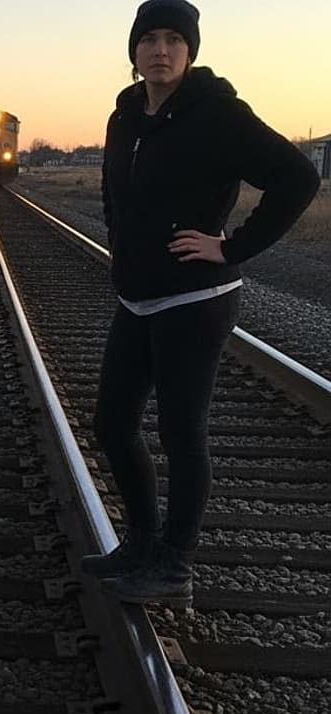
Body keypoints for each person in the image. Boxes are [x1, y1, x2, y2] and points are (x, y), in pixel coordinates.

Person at [82, 0, 320, 607]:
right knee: (111, 423)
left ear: (190, 51)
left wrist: (232, 246)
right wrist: (121, 246)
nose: (160, 50)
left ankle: (176, 562)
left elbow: (297, 176)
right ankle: (141, 541)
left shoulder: (219, 113)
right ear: (134, 51)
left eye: (173, 40)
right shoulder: (125, 115)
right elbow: (115, 192)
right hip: (137, 297)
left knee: (180, 432)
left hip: (197, 297)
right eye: (149, 40)